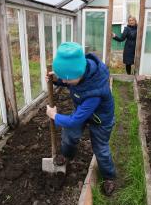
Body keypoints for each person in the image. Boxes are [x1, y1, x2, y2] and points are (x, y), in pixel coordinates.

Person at [45, 42, 116, 196]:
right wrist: (57, 78)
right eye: (63, 78)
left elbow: (74, 121)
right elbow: (73, 83)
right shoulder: (80, 71)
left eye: (66, 79)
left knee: (101, 149)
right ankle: (66, 155)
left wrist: (54, 115)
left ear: (79, 73)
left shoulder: (95, 92)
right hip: (83, 110)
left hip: (101, 120)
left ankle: (109, 177)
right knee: (70, 134)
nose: (64, 82)